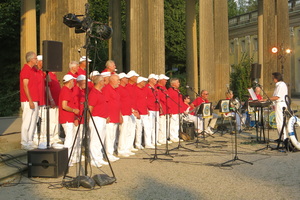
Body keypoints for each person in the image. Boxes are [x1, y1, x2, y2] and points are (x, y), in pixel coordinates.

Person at [58, 74, 79, 166]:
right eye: (73, 81)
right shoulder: (66, 91)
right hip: (66, 118)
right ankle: (66, 159)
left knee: (71, 138)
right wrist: (74, 110)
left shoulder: (66, 90)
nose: (74, 82)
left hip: (69, 118)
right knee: (69, 139)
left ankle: (70, 157)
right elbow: (64, 105)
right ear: (70, 81)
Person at [88, 75, 109, 167]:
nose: (104, 83)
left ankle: (99, 157)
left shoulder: (100, 92)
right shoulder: (93, 93)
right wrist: (89, 119)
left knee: (100, 139)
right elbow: (90, 107)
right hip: (96, 118)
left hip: (102, 118)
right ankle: (94, 159)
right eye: (103, 81)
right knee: (95, 139)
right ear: (100, 82)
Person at [20, 51, 39, 150]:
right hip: (28, 100)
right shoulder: (26, 70)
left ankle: (30, 140)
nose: (37, 60)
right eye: (35, 58)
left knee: (33, 121)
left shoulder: (33, 70)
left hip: (34, 99)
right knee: (27, 121)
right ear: (31, 59)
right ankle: (24, 141)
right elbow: (25, 86)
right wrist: (30, 100)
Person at [102, 74, 121, 161]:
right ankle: (108, 154)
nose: (119, 82)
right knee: (109, 136)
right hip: (110, 117)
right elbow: (104, 103)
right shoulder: (107, 89)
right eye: (117, 80)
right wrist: (106, 115)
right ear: (112, 80)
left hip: (115, 116)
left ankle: (111, 152)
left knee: (112, 136)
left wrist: (119, 115)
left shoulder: (115, 90)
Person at [116, 72, 136, 156]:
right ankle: (121, 150)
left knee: (127, 131)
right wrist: (120, 114)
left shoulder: (125, 88)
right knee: (123, 132)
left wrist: (131, 109)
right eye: (125, 78)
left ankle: (126, 148)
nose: (127, 79)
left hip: (128, 112)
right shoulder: (119, 89)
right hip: (123, 113)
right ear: (121, 80)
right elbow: (118, 102)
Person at [135, 77, 154, 149]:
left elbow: (144, 100)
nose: (145, 83)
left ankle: (148, 143)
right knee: (139, 129)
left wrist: (147, 109)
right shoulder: (136, 89)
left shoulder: (144, 89)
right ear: (139, 82)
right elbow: (135, 102)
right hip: (139, 112)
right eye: (143, 82)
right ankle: (138, 144)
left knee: (147, 128)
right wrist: (137, 111)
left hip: (145, 111)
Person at [268, 72, 288, 141]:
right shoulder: (279, 85)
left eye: (273, 78)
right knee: (279, 121)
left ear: (276, 78)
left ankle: (284, 138)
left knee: (279, 122)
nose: (272, 79)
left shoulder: (281, 85)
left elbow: (277, 97)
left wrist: (267, 99)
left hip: (280, 104)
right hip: (278, 104)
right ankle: (281, 137)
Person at [145, 74, 161, 146]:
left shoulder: (155, 88)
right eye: (155, 79)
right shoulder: (147, 87)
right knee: (149, 126)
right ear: (150, 79)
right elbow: (145, 98)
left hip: (156, 108)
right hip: (150, 109)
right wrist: (146, 108)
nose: (156, 81)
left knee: (156, 125)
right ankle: (148, 142)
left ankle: (155, 140)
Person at [156, 74, 172, 144]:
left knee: (164, 125)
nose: (166, 81)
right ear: (160, 80)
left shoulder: (164, 88)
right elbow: (160, 99)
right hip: (162, 108)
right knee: (161, 125)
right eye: (164, 80)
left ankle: (164, 138)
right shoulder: (158, 88)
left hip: (166, 108)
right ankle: (160, 139)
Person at [167, 78, 184, 142]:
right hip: (173, 110)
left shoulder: (177, 90)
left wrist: (182, 109)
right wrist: (170, 110)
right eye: (177, 82)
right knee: (173, 124)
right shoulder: (170, 91)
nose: (179, 83)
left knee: (177, 124)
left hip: (178, 110)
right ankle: (172, 137)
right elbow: (169, 101)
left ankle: (176, 136)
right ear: (173, 84)